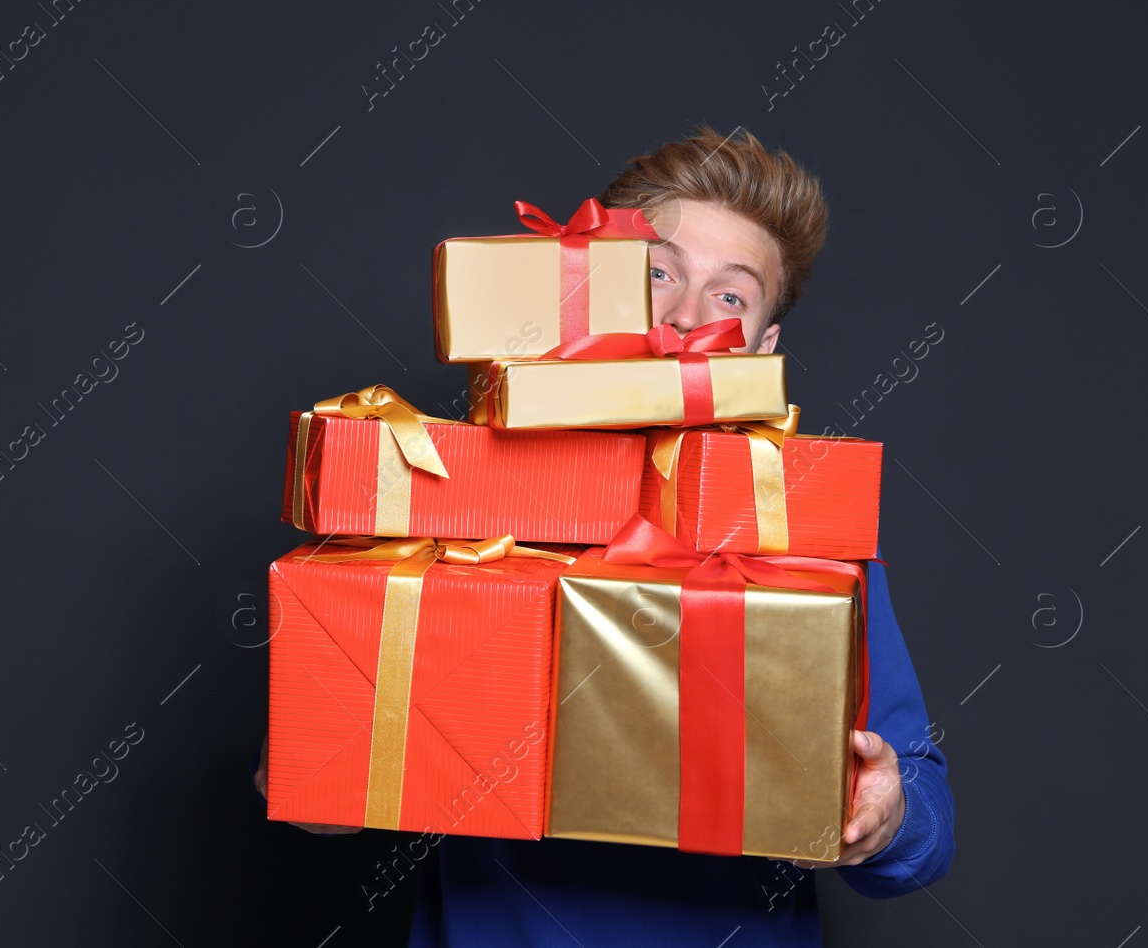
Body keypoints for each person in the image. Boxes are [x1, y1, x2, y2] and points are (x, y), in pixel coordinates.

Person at [256, 126, 955, 945]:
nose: (685, 316)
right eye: (657, 273)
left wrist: (889, 812)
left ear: (764, 348)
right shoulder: (455, 505)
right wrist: (315, 776)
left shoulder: (806, 543)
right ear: (587, 284)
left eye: (731, 296)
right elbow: (324, 794)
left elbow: (923, 815)